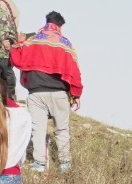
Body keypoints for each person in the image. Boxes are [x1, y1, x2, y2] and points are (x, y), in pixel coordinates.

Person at [9, 12, 83, 172]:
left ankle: (39, 164)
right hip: (59, 94)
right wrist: (76, 93)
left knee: (38, 129)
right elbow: (75, 72)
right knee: (62, 129)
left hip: (36, 93)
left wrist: (18, 43)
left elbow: (16, 59)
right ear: (60, 26)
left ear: (47, 22)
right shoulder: (66, 44)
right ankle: (65, 164)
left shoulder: (32, 41)